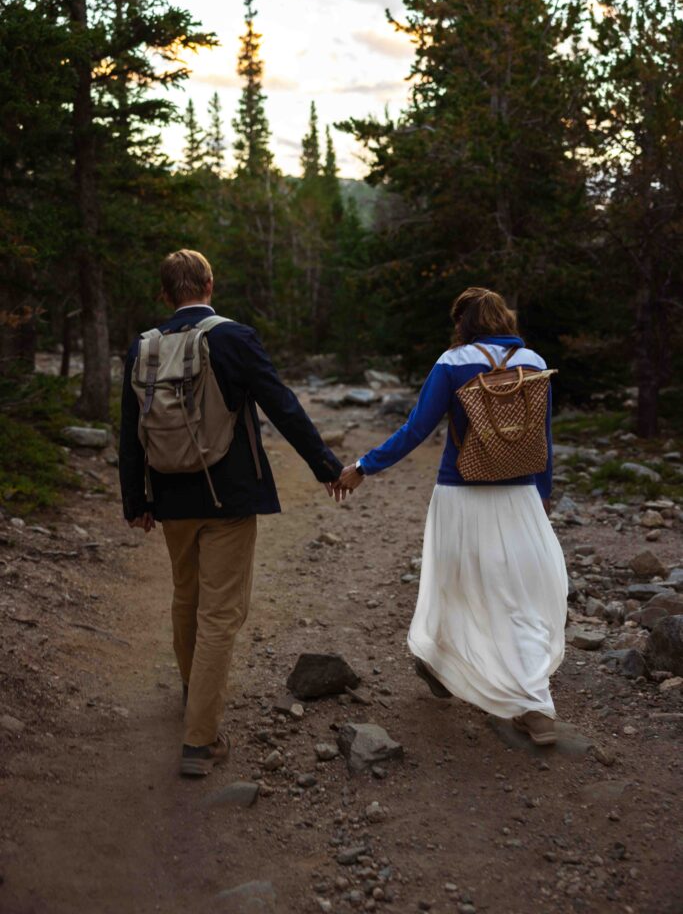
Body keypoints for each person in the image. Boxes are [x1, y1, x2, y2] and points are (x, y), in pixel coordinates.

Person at [119, 249, 344, 776]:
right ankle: (200, 741)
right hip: (228, 496)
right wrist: (327, 466)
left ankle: (194, 693)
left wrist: (137, 501)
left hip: (170, 498)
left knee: (185, 596)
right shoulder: (233, 338)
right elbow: (281, 404)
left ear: (165, 294)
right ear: (209, 285)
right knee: (221, 613)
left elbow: (130, 432)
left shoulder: (142, 349)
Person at [339, 287, 568, 746]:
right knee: (520, 596)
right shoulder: (536, 361)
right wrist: (542, 496)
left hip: (461, 493)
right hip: (520, 494)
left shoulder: (453, 362)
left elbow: (416, 428)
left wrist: (365, 466)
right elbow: (542, 439)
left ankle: (443, 668)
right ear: (503, 318)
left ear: (462, 323)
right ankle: (537, 707)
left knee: (454, 583)